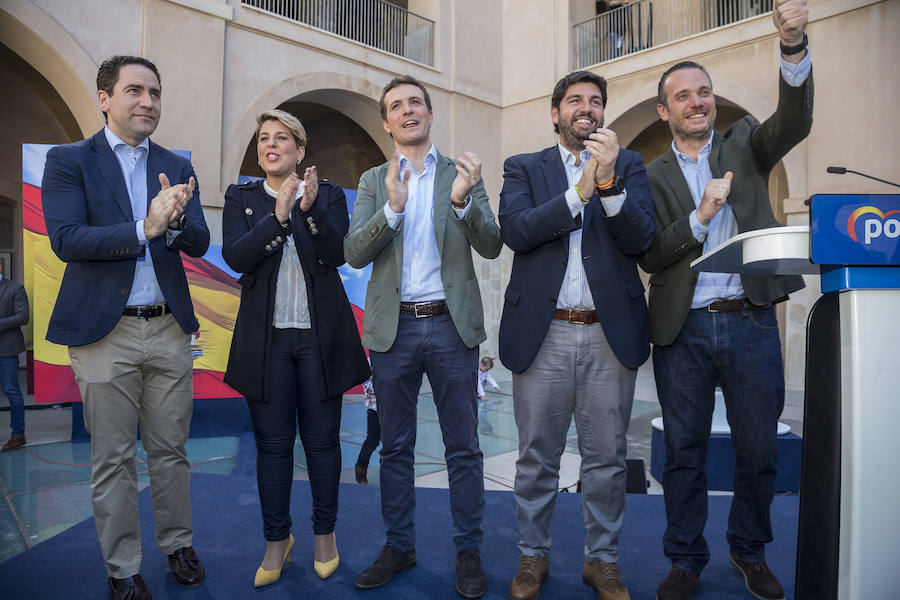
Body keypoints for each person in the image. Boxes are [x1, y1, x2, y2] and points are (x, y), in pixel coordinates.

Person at [637, 2, 812, 599]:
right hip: (682, 330)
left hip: (750, 322)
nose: (697, 101)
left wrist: (792, 46)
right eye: (683, 95)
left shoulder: (744, 147)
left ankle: (749, 551)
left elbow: (792, 122)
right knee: (683, 454)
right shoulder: (648, 176)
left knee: (760, 449)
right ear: (666, 111)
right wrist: (699, 216)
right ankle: (685, 559)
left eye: (704, 92)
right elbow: (651, 254)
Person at [41, 55, 210, 600]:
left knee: (171, 451)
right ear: (104, 98)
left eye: (155, 92)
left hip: (166, 329)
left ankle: (178, 544)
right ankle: (122, 570)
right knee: (112, 459)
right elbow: (66, 238)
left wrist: (179, 220)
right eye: (134, 90)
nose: (148, 102)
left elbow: (202, 242)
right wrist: (145, 227)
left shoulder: (176, 164)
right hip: (103, 334)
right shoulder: (70, 161)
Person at [499, 70, 656, 600]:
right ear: (555, 113)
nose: (585, 108)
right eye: (574, 101)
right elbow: (516, 232)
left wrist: (608, 184)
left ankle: (603, 562)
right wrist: (577, 192)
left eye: (595, 101)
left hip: (607, 336)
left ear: (603, 113)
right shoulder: (523, 167)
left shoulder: (630, 166)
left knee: (607, 458)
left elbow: (642, 240)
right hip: (543, 334)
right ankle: (532, 558)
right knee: (536, 456)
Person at [344, 75, 502, 599]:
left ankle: (468, 552)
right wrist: (392, 208)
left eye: (416, 102)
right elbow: (354, 253)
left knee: (463, 448)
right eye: (396, 106)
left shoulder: (463, 172)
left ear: (430, 115)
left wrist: (462, 202)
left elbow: (492, 244)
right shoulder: (372, 179)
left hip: (452, 328)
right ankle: (399, 545)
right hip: (394, 331)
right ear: (386, 123)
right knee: (396, 448)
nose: (408, 111)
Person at [222, 109, 369, 587]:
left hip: (319, 339)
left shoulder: (325, 195)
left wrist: (307, 211)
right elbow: (237, 257)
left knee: (324, 445)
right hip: (264, 343)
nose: (270, 145)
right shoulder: (241, 196)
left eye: (281, 138)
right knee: (272, 447)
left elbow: (336, 254)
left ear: (300, 150)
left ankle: (324, 537)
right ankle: (276, 540)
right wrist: (278, 216)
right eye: (264, 138)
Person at [0, 260, 28, 452]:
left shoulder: (15, 288)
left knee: (11, 391)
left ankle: (18, 434)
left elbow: (23, 316)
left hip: (6, 348)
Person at [355, 371, 379, 484]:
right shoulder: (370, 364)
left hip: (392, 409)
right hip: (374, 409)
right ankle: (361, 466)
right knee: (373, 440)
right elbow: (368, 387)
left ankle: (388, 470)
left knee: (391, 440)